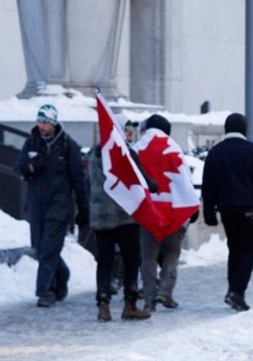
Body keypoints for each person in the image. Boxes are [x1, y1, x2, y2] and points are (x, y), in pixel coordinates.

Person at [16, 104, 89, 307]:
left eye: (46, 122)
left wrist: (83, 209)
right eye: (40, 121)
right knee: (40, 249)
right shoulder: (31, 142)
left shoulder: (68, 146)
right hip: (36, 205)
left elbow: (78, 179)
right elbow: (20, 169)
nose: (42, 126)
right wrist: (31, 166)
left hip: (59, 206)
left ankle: (44, 292)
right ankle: (63, 274)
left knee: (49, 249)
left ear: (54, 124)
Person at [87, 117, 152, 322]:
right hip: (126, 217)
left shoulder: (93, 154)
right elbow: (141, 180)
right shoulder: (126, 154)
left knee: (104, 263)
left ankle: (103, 305)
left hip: (101, 218)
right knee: (131, 260)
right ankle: (130, 304)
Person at [201, 113, 253, 312]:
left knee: (235, 249)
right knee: (249, 251)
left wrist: (209, 213)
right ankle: (237, 292)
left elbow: (208, 185)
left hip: (226, 210)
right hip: (249, 210)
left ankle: (233, 290)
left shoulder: (215, 152)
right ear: (244, 129)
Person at [136, 114, 187, 312]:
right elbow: (183, 181)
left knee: (148, 256)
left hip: (147, 211)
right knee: (172, 252)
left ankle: (149, 299)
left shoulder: (138, 148)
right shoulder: (173, 148)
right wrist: (190, 208)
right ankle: (165, 291)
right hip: (171, 211)